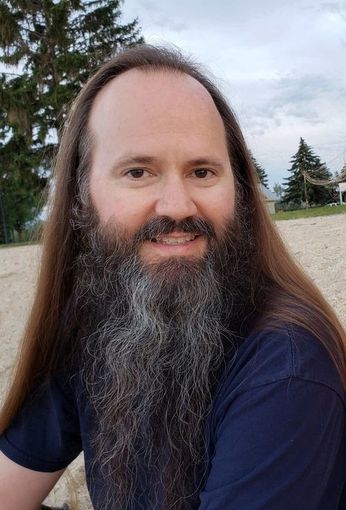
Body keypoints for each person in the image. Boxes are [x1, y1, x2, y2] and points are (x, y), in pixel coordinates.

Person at [0, 44, 345, 510]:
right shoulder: (94, 320)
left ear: (239, 193)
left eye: (202, 171)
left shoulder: (286, 369)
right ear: (81, 199)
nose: (178, 206)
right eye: (138, 171)